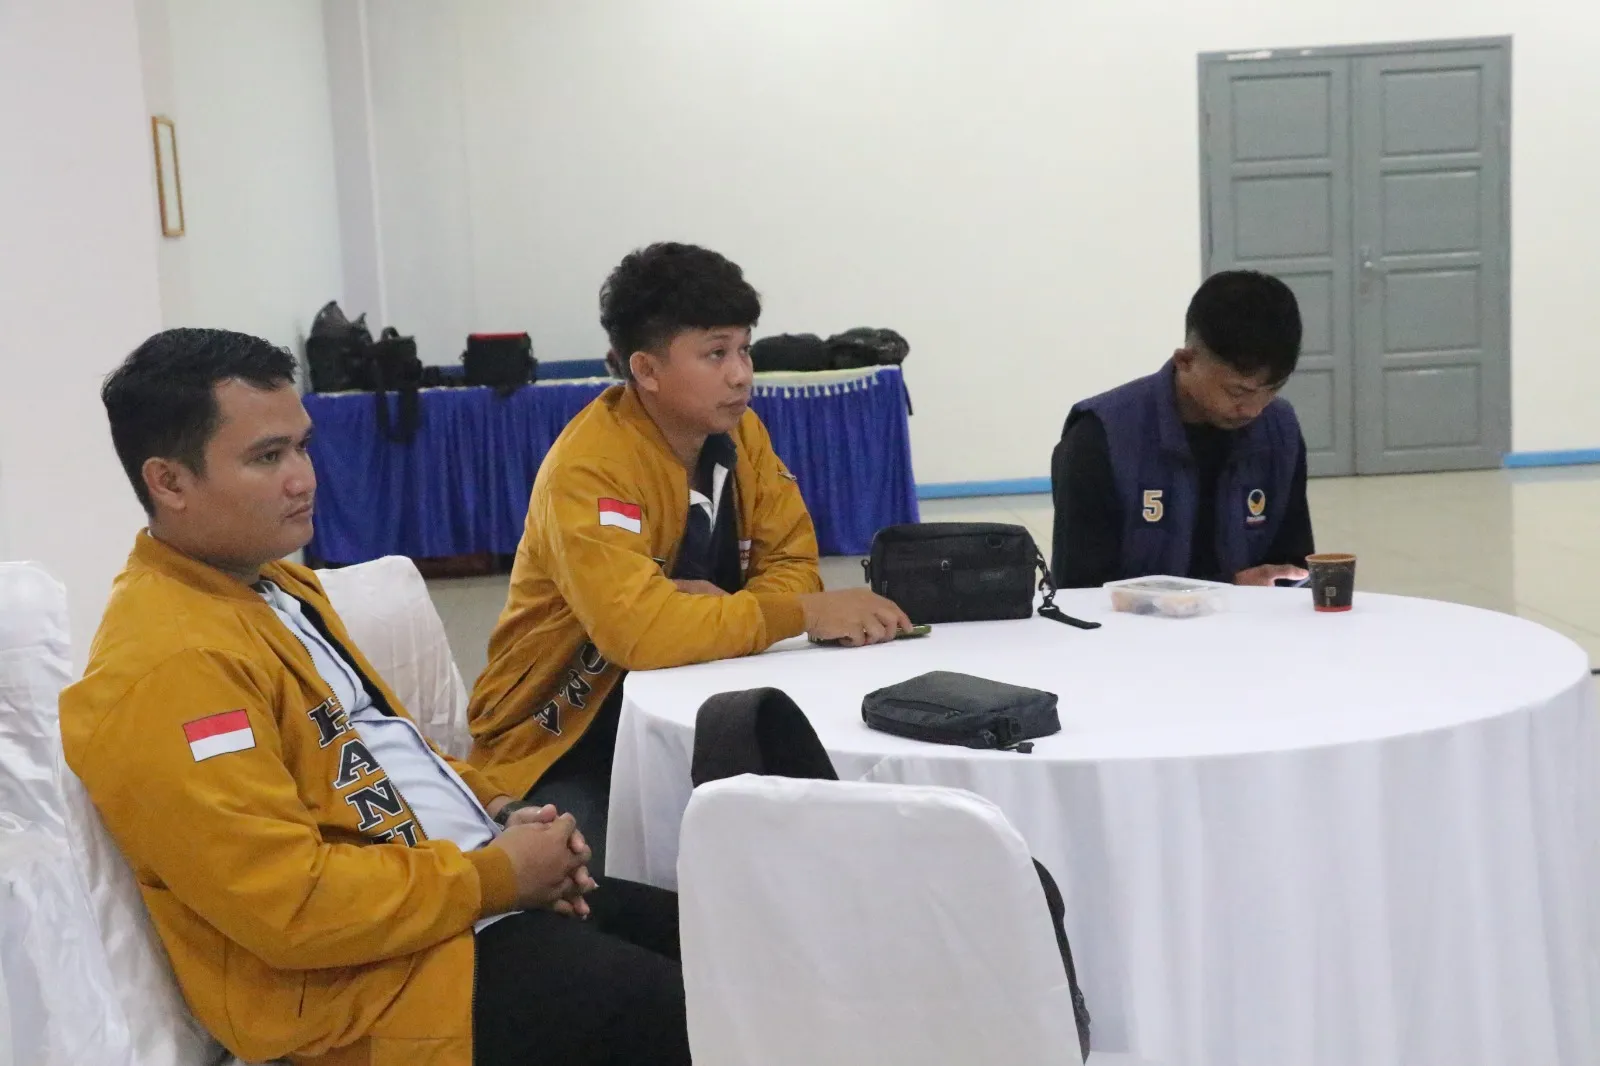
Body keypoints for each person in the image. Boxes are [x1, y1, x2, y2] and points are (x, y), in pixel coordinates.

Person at [60, 328, 689, 1066]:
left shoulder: (273, 585)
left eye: (302, 447)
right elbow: (289, 905)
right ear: (169, 482)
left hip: (449, 905)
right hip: (377, 995)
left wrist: (502, 813)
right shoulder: (168, 667)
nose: (303, 478)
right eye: (267, 457)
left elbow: (391, 747)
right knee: (690, 1010)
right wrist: (499, 875)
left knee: (725, 938)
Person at [468, 242, 911, 868]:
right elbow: (641, 634)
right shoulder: (589, 469)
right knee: (588, 876)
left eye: (744, 349)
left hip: (707, 693)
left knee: (819, 836)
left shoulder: (741, 432)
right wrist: (801, 614)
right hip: (569, 731)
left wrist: (719, 612)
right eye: (715, 354)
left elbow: (792, 561)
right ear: (647, 371)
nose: (741, 374)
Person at [1050, 270, 1315, 590]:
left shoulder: (1280, 429)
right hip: (1133, 625)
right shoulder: (1100, 438)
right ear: (1185, 360)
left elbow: (1293, 568)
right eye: (1238, 392)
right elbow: (1080, 593)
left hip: (1251, 621)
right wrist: (1225, 590)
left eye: (1272, 389)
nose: (1253, 410)